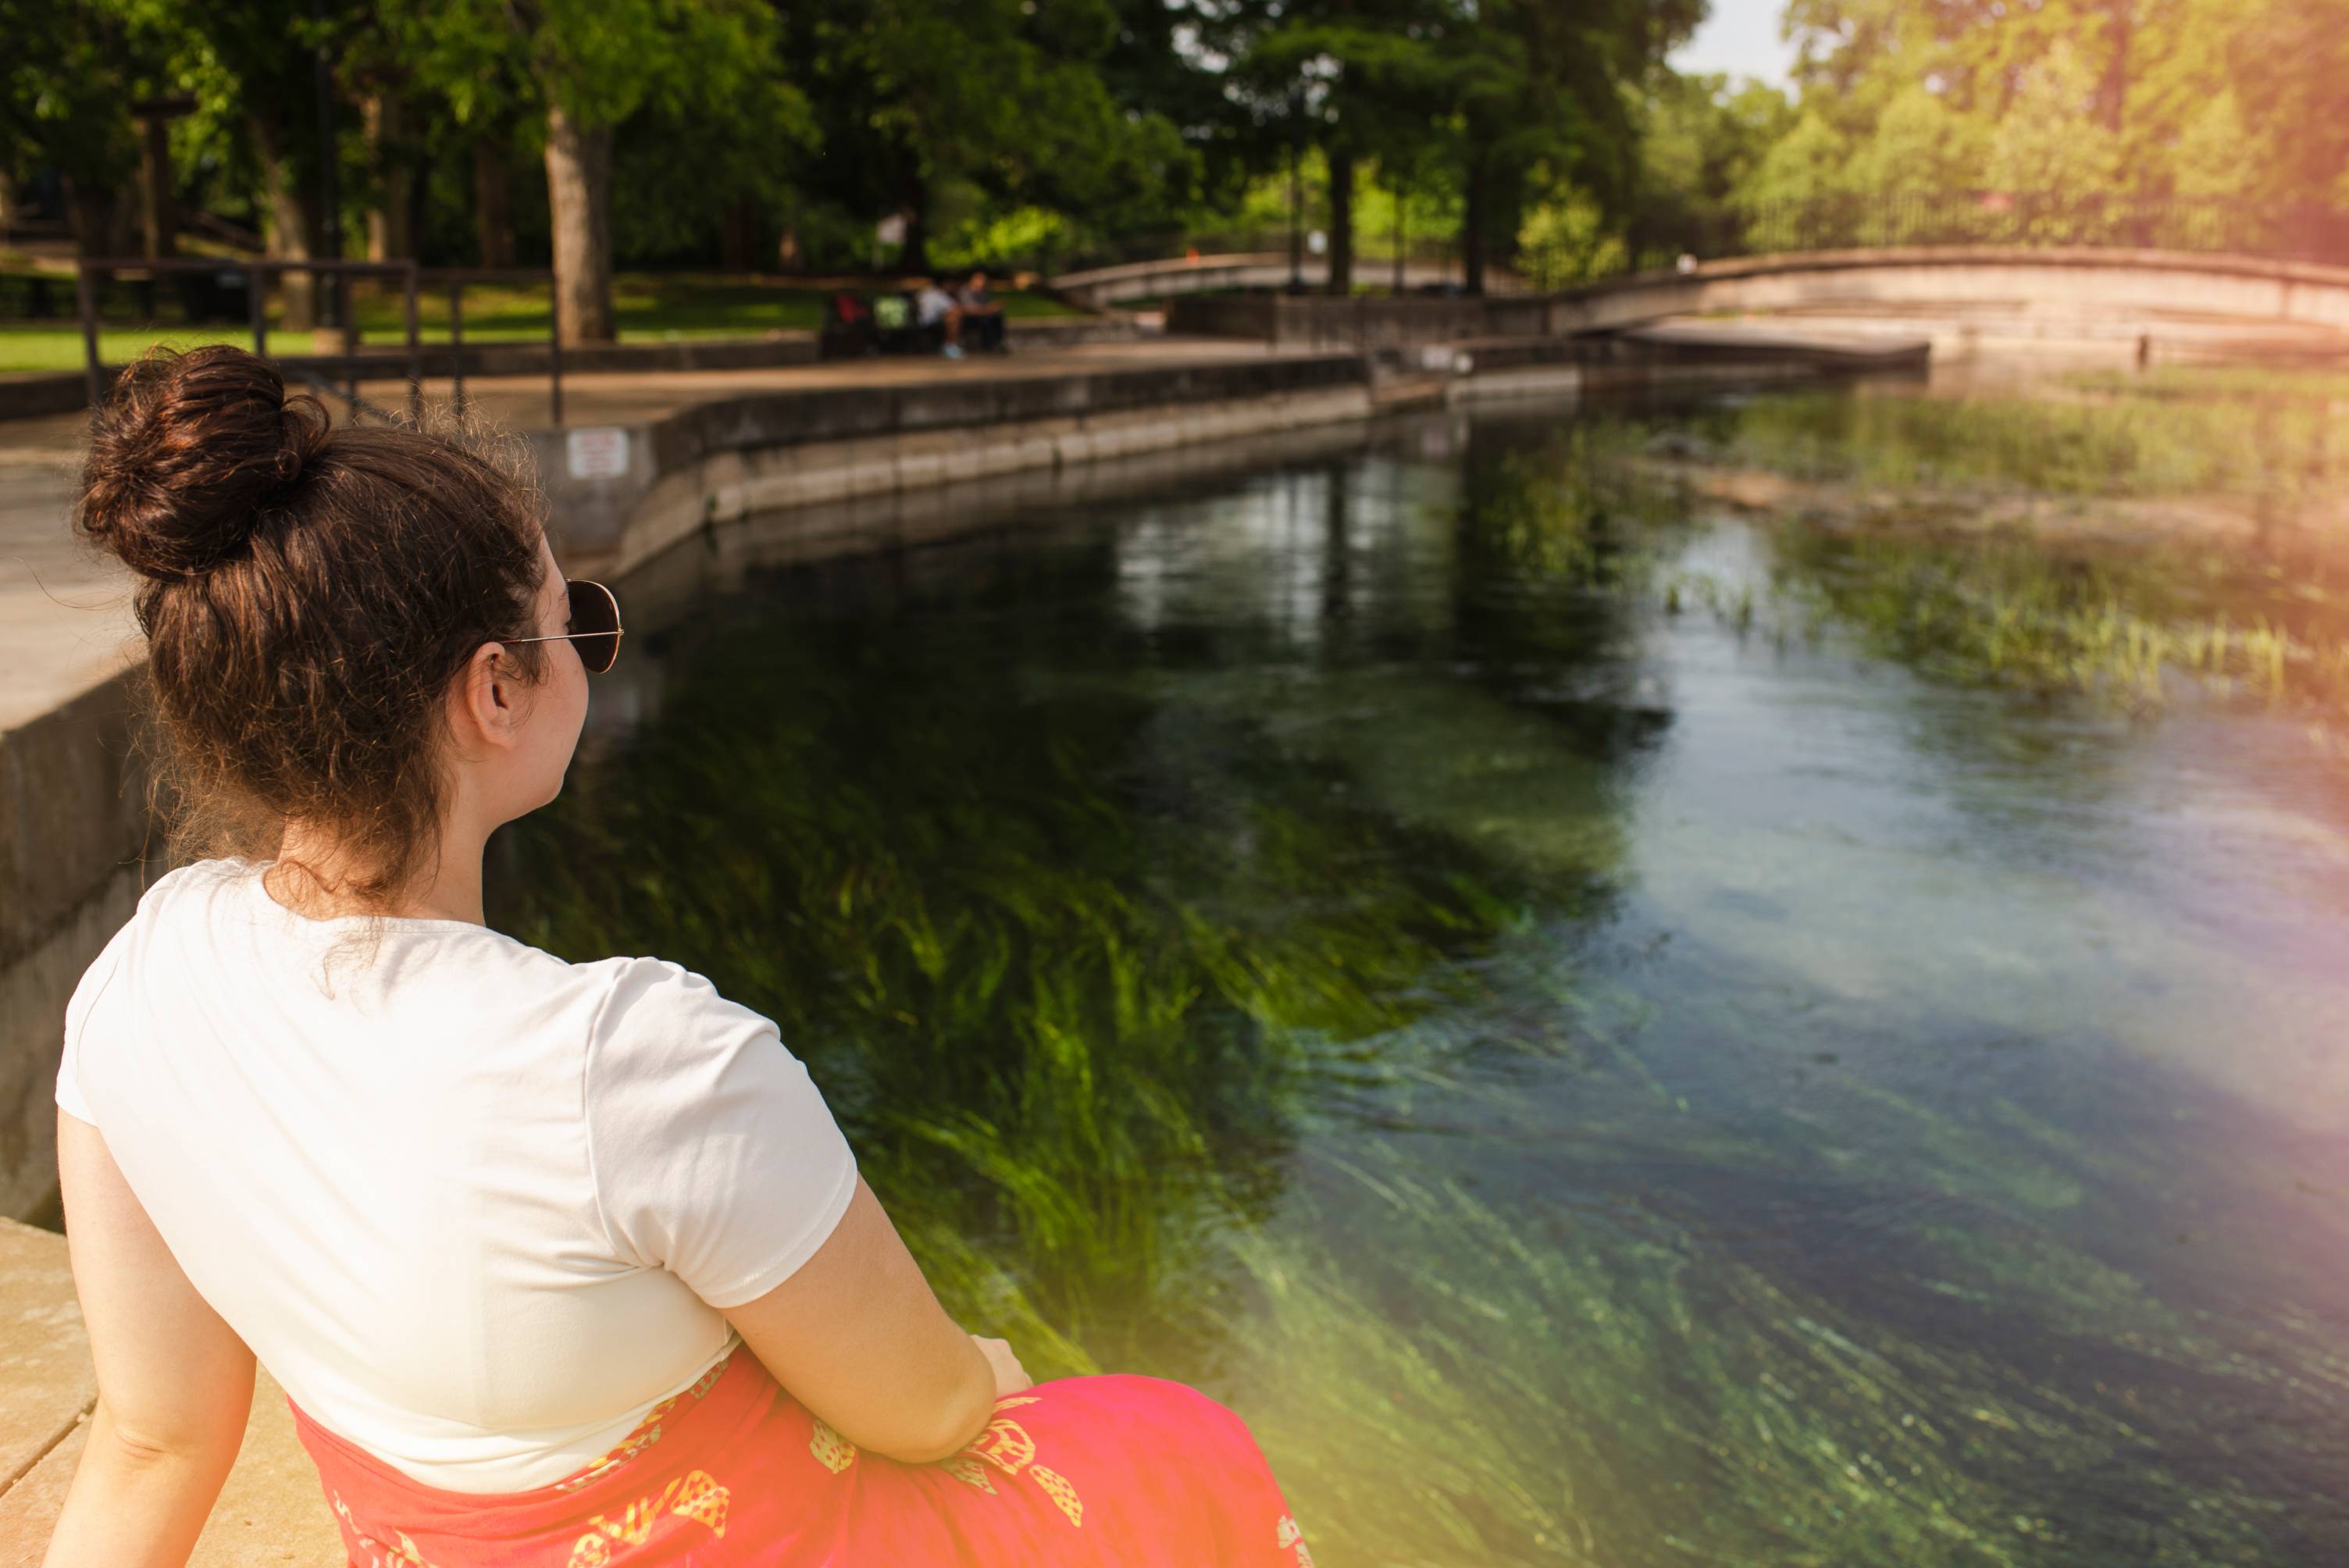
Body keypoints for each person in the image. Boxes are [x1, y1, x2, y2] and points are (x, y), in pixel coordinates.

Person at [44, 345, 1311, 1566]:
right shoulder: (632, 1063)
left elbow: (154, 1440)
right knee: (1178, 1441)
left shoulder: (134, 987)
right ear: (493, 691)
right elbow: (924, 1410)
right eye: (571, 621)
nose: (591, 647)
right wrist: (984, 1365)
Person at [957, 271, 1007, 353]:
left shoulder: (982, 292)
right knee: (985, 320)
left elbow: (985, 305)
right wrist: (988, 308)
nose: (981, 283)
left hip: (982, 315)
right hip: (969, 318)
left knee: (997, 318)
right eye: (979, 280)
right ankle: (989, 345)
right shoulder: (965, 291)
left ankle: (998, 342)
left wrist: (993, 306)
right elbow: (970, 308)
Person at [912, 276, 962, 358]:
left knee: (952, 317)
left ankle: (950, 346)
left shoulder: (923, 293)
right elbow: (954, 307)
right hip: (929, 321)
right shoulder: (937, 294)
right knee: (953, 319)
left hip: (921, 321)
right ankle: (949, 346)